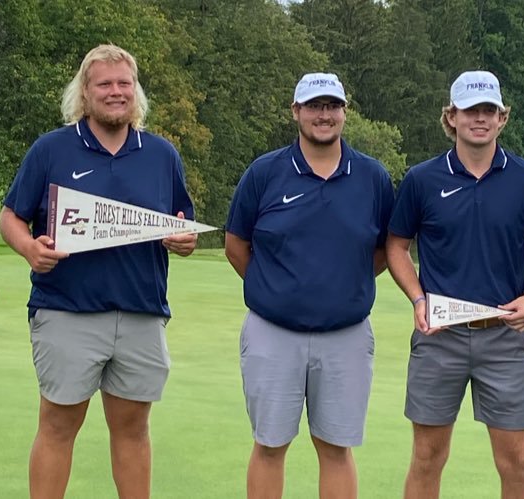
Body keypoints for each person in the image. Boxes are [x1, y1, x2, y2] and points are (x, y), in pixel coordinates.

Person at [0, 44, 198, 499]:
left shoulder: (161, 155)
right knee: (57, 425)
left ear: (136, 92)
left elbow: (181, 227)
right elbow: (10, 217)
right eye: (104, 84)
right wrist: (30, 247)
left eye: (123, 84)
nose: (115, 92)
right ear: (85, 93)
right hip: (66, 310)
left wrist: (183, 242)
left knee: (133, 429)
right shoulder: (52, 149)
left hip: (141, 313)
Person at [225, 72, 395, 499]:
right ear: (296, 111)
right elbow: (235, 244)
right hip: (273, 332)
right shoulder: (264, 173)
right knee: (269, 444)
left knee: (336, 448)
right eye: (314, 106)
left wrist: (342, 285)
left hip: (346, 335)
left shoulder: (372, 177)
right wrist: (276, 287)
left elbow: (382, 250)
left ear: (344, 112)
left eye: (332, 106)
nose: (324, 115)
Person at [387, 70, 524, 499]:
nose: (480, 118)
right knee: (427, 457)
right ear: (452, 117)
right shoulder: (422, 179)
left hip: (503, 336)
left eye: (488, 110)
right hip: (439, 335)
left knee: (517, 460)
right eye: (470, 110)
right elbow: (396, 247)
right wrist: (418, 298)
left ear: (502, 118)